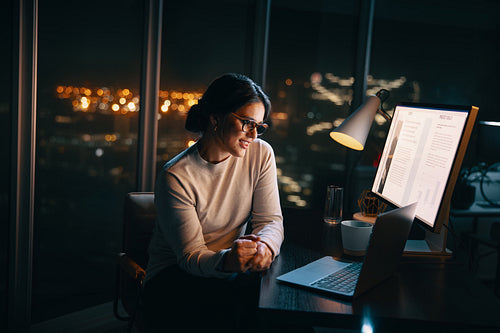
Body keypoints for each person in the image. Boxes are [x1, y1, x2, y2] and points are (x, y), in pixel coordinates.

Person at [142, 73, 284, 332]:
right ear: (215, 118)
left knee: (279, 308)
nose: (253, 134)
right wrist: (229, 261)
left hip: (229, 269)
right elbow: (190, 256)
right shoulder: (177, 175)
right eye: (247, 123)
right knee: (236, 310)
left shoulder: (261, 154)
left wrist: (266, 246)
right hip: (174, 277)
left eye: (259, 126)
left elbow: (270, 220)